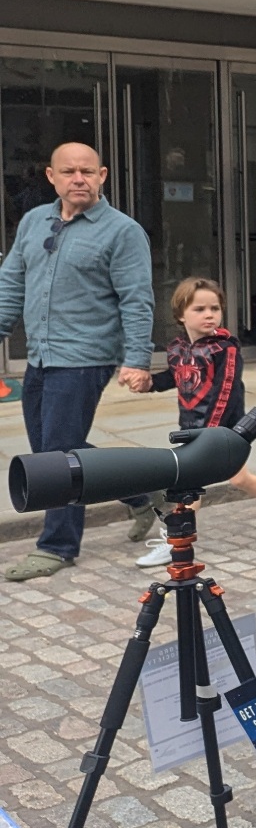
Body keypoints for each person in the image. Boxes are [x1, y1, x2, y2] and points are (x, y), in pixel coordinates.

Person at [0, 143, 158, 582]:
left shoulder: (122, 231)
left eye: (87, 172)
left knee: (56, 456)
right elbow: (11, 283)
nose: (78, 179)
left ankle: (57, 546)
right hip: (40, 355)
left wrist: (137, 359)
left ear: (102, 175)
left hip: (86, 357)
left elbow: (137, 300)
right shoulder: (34, 221)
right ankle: (142, 491)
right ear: (51, 177)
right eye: (68, 172)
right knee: (51, 449)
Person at [126, 278, 256, 567]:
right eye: (199, 309)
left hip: (223, 431)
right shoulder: (177, 348)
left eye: (215, 308)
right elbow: (174, 377)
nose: (209, 315)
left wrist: (211, 433)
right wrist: (148, 384)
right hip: (193, 428)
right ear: (181, 315)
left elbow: (226, 391)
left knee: (189, 485)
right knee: (240, 479)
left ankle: (174, 542)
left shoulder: (225, 348)